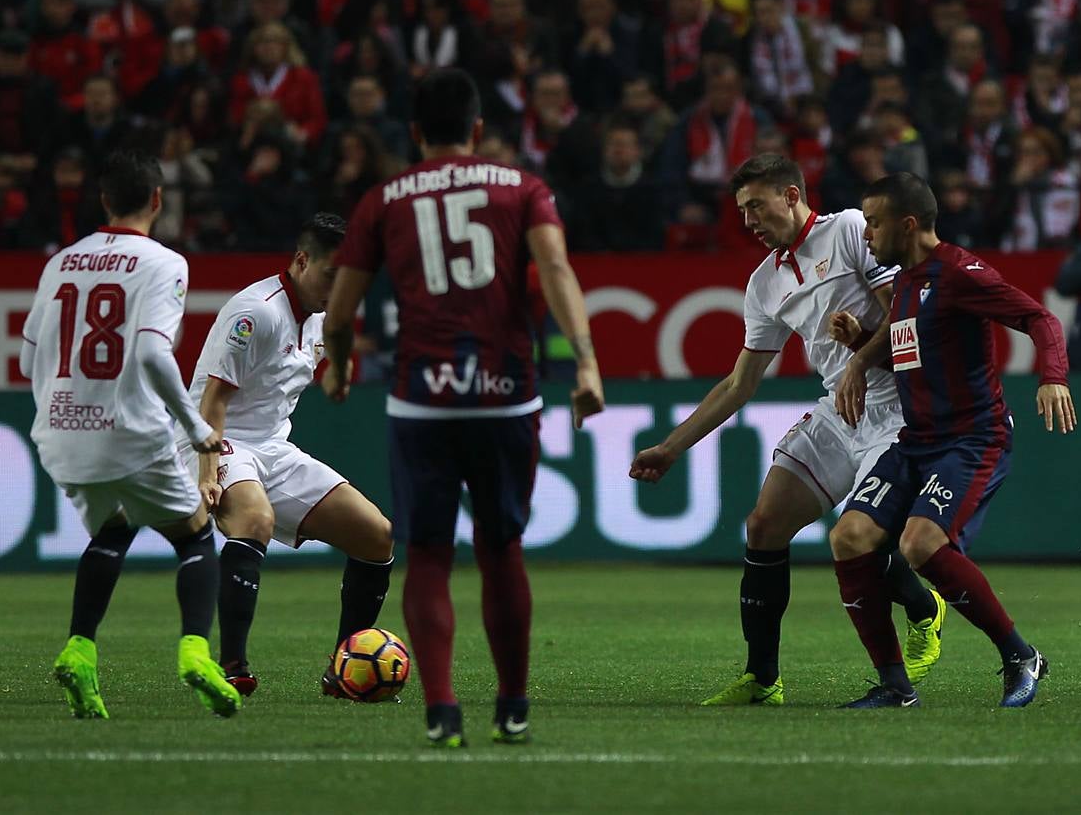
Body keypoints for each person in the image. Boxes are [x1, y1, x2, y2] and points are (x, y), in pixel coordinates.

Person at [321, 67, 604, 747]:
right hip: (507, 394)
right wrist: (587, 361)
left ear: (415, 133)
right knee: (503, 548)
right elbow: (557, 271)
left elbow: (340, 307)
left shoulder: (384, 199)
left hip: (424, 403)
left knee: (427, 555)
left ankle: (443, 709)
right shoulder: (524, 189)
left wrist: (336, 364)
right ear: (478, 130)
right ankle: (512, 706)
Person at [629, 153, 945, 707]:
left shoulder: (849, 230)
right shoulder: (764, 283)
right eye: (742, 210)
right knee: (764, 525)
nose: (748, 221)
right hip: (840, 407)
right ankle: (762, 678)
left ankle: (922, 614)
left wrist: (857, 359)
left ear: (793, 195)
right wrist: (671, 447)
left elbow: (902, 310)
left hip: (898, 407)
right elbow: (739, 383)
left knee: (857, 539)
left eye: (756, 205)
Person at [827, 171, 1073, 708]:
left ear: (907, 223)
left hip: (972, 439)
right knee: (848, 537)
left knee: (919, 544)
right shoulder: (907, 282)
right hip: (917, 440)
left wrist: (1052, 376)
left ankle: (1019, 655)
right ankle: (895, 686)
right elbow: (914, 354)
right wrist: (862, 343)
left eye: (873, 221)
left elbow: (1041, 318)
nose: (866, 233)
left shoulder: (960, 273)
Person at [19, 150, 240, 719]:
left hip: (60, 435)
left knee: (111, 532)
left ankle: (80, 649)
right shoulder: (164, 262)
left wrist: (63, 408)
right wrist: (194, 427)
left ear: (102, 200)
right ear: (158, 201)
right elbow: (149, 351)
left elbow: (28, 359)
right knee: (194, 536)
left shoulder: (61, 263)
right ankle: (195, 650)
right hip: (131, 434)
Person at [176, 213, 394, 696]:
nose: (338, 287)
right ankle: (232, 665)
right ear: (301, 260)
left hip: (273, 447)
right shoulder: (255, 313)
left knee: (376, 536)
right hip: (217, 437)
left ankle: (344, 668)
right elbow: (213, 402)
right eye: (330, 275)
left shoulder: (326, 314)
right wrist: (208, 473)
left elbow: (335, 343)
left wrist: (339, 371)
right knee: (255, 521)